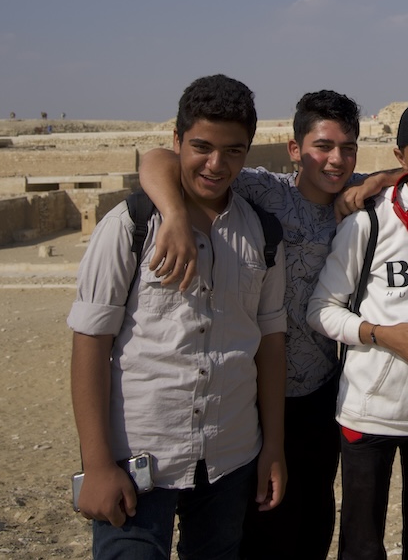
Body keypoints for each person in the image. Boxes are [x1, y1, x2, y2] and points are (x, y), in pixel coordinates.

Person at [140, 89, 395, 560]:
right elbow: (159, 158)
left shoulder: (363, 198)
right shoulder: (264, 190)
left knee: (314, 517)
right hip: (251, 395)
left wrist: (380, 177)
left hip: (320, 391)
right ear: (295, 150)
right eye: (322, 146)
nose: (335, 160)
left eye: (347, 149)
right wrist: (174, 214)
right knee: (257, 526)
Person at [68, 74, 287, 560]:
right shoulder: (130, 226)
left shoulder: (264, 235)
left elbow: (270, 345)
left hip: (231, 455)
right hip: (142, 458)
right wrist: (97, 464)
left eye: (233, 151)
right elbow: (90, 344)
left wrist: (274, 446)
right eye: (202, 147)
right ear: (176, 142)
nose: (216, 164)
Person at [306, 98, 408, 560]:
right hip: (367, 412)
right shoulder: (367, 223)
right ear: (401, 159)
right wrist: (381, 334)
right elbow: (322, 309)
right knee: (361, 545)